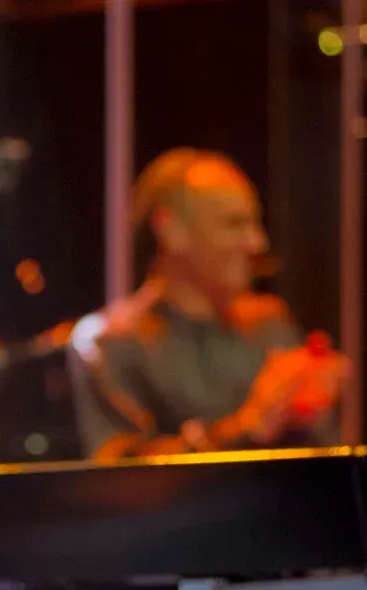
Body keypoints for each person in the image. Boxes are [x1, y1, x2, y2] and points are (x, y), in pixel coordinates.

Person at [67, 147, 348, 460]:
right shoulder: (110, 343)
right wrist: (249, 426)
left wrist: (307, 413)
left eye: (255, 223)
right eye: (234, 224)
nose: (257, 243)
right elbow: (119, 472)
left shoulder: (270, 326)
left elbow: (322, 461)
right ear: (171, 229)